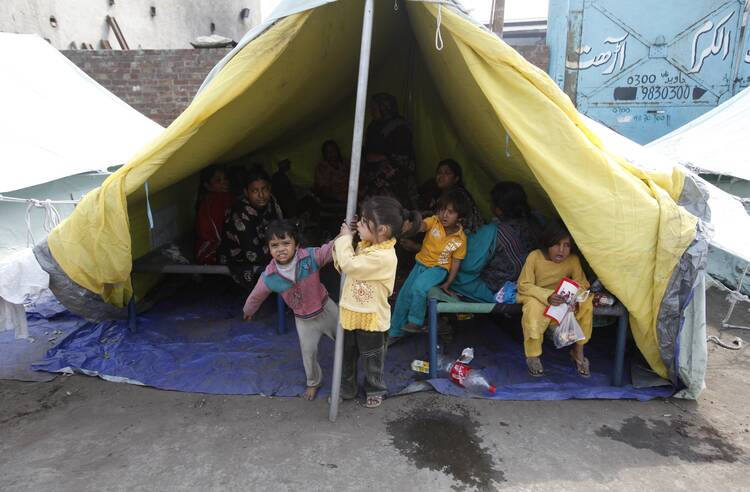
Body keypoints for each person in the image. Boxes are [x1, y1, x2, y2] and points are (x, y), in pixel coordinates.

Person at [332, 196, 419, 408]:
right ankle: (347, 388)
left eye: (364, 221)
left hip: (371, 319)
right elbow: (344, 263)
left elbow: (349, 265)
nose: (359, 224)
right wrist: (349, 236)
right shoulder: (369, 246)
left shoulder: (384, 257)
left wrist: (344, 238)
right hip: (350, 314)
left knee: (372, 359)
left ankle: (375, 388)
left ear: (383, 231)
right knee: (346, 356)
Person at [242, 220, 336, 401]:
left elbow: (328, 250)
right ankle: (313, 382)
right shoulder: (270, 275)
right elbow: (256, 295)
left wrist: (344, 237)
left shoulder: (309, 257)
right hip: (304, 320)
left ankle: (347, 378)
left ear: (297, 245)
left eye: (286, 243)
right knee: (308, 353)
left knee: (347, 340)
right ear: (269, 249)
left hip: (326, 308)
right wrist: (249, 310)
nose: (281, 249)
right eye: (274, 245)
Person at [516, 219, 593, 378]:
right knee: (532, 309)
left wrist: (573, 298)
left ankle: (578, 351)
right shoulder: (535, 257)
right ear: (548, 242)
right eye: (557, 244)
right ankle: (533, 355)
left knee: (587, 303)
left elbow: (582, 284)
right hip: (539, 297)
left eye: (567, 245)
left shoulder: (572, 260)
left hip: (562, 300)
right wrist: (547, 296)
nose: (562, 250)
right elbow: (524, 284)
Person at [389, 188, 470, 338]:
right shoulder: (434, 221)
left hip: (438, 269)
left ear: (460, 216)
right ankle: (394, 332)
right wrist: (410, 226)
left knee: (419, 288)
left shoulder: (461, 239)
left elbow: (456, 262)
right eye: (442, 210)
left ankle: (416, 321)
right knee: (403, 297)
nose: (444, 215)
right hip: (420, 266)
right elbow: (422, 226)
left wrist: (448, 283)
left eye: (450, 212)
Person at [218, 166, 283, 290]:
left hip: (267, 248)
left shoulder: (271, 203)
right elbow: (252, 255)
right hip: (241, 258)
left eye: (264, 189)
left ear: (270, 189)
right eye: (255, 191)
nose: (261, 195)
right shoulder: (240, 213)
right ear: (246, 192)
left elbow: (281, 229)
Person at [479, 181, 540, 294]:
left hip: (503, 288)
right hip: (534, 281)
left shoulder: (495, 232)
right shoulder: (535, 221)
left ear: (499, 209)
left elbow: (475, 264)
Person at [361, 93, 418, 208]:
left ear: (385, 108)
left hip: (395, 174)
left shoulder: (400, 127)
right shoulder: (373, 125)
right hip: (372, 172)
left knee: (391, 207)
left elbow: (404, 155)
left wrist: (381, 157)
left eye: (375, 107)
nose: (371, 110)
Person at [194, 165, 233, 265]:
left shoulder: (225, 197)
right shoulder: (213, 200)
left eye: (225, 179)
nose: (224, 182)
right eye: (218, 180)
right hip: (211, 249)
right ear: (207, 185)